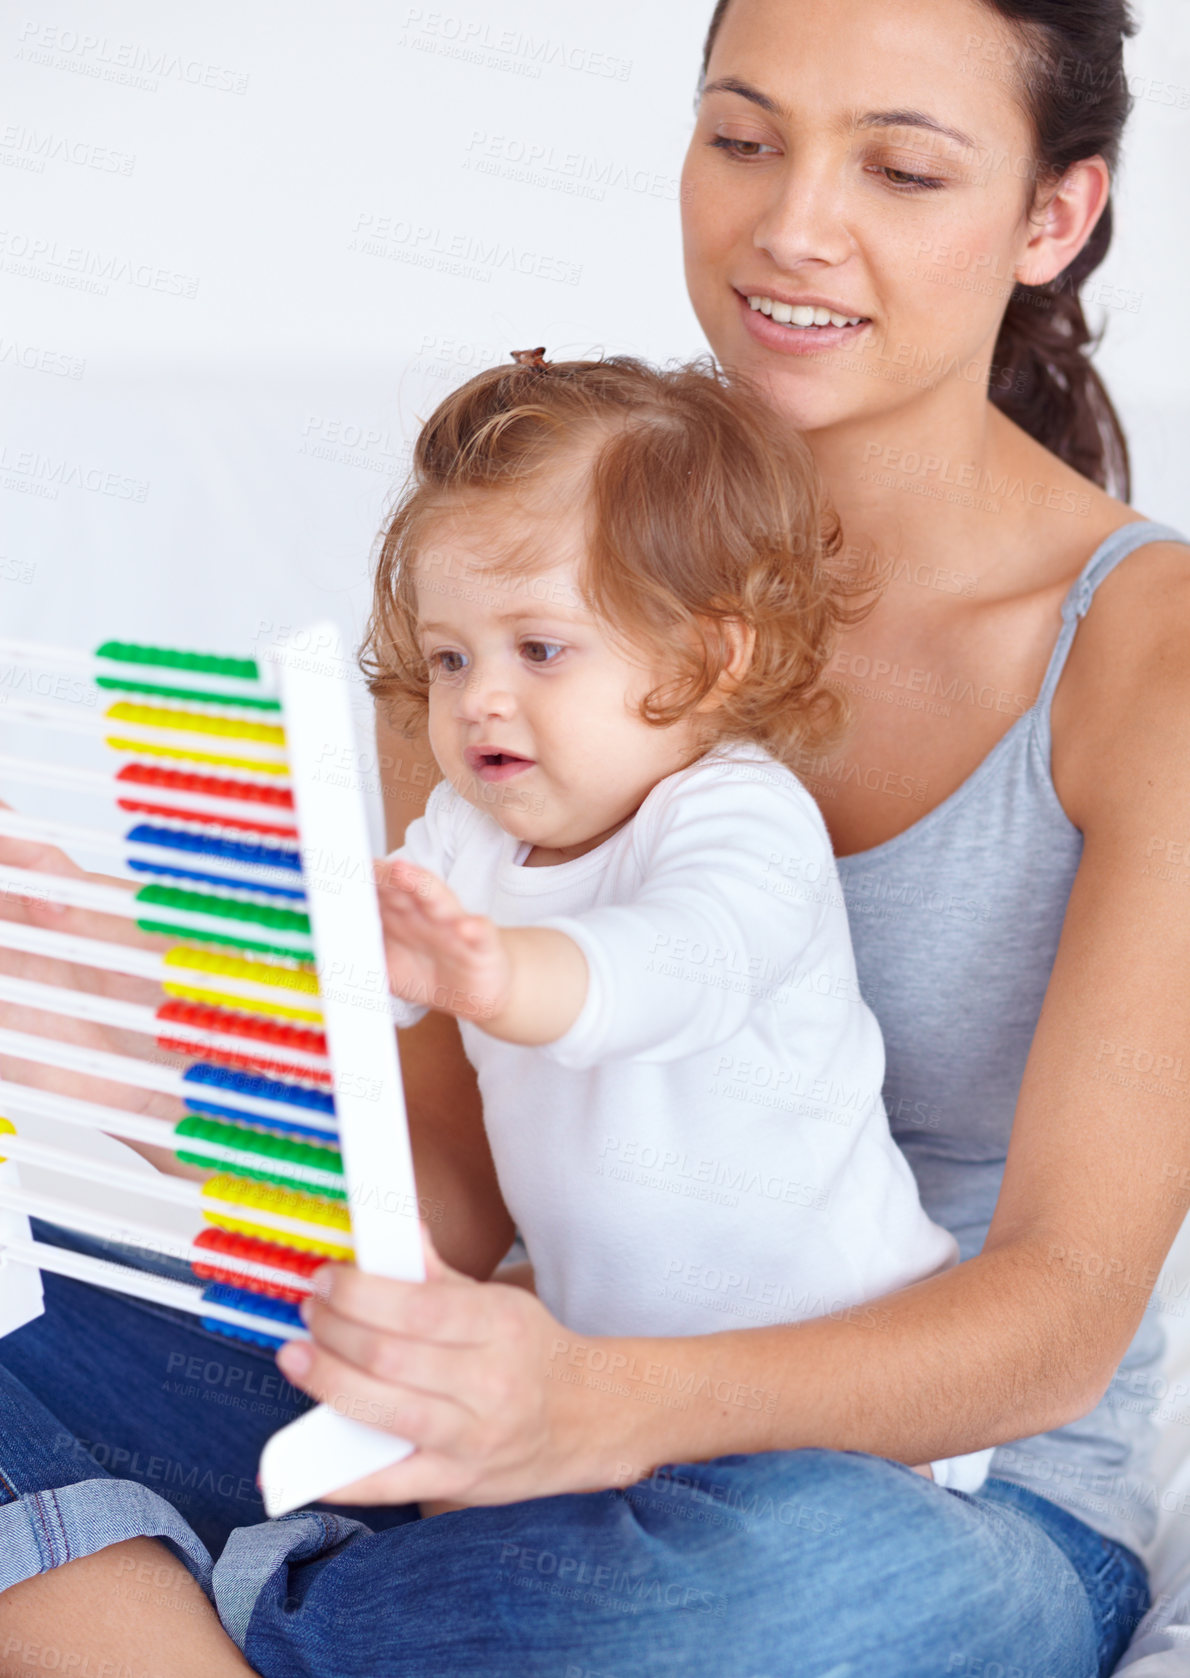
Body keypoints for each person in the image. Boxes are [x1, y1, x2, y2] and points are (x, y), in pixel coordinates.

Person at [1, 0, 1185, 1672]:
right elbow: (447, 1183)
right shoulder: (526, 551)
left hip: (931, 1501)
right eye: (744, 135)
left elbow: (1065, 1316)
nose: (791, 224)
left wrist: (595, 1407)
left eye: (903, 168)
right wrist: (149, 1076)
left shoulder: (1146, 652)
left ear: (1053, 217)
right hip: (533, 1404)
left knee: (776, 1581)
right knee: (29, 1341)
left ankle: (203, 1605)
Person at [359, 349, 994, 1495]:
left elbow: (679, 967)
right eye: (450, 656)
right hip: (615, 1404)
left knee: (719, 1569)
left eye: (539, 648)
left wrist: (494, 974)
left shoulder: (742, 813)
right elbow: (356, 994)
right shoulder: (466, 833)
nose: (477, 697)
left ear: (711, 654)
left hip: (844, 1420)